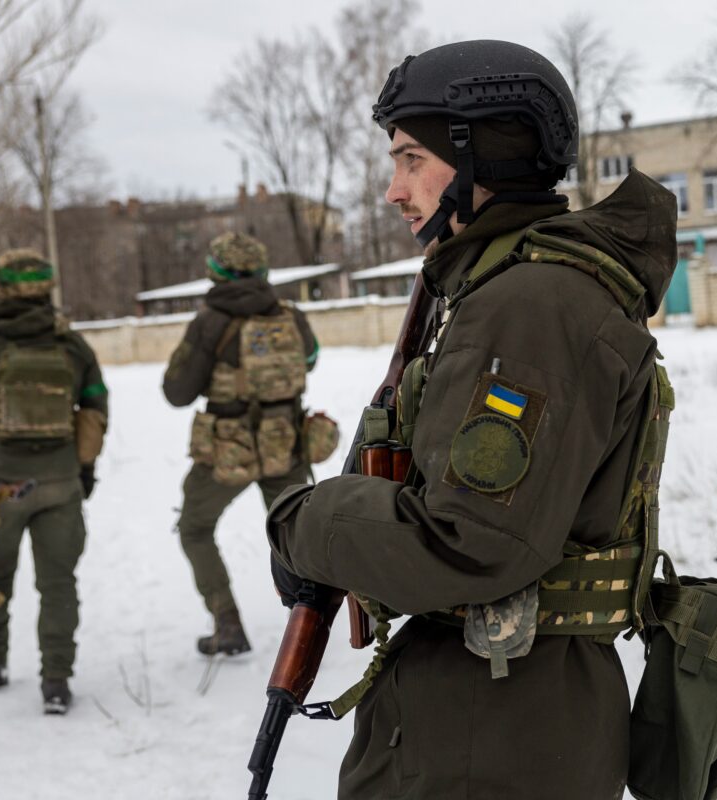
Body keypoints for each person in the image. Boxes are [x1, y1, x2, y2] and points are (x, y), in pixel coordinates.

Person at [264, 40, 677, 799]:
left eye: (411, 157)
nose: (394, 190)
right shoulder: (511, 290)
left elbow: (471, 543)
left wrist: (305, 525)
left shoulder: (529, 306)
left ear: (483, 152)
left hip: (490, 734)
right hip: (498, 708)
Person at [0, 249, 108, 714]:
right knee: (58, 584)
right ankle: (56, 680)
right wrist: (84, 468)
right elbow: (95, 407)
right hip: (60, 483)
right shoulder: (71, 344)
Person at [162, 232, 320, 656]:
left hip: (226, 451)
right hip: (284, 443)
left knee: (195, 528)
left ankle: (226, 622)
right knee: (298, 534)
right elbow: (309, 360)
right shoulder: (290, 315)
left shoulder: (209, 321)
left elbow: (177, 391)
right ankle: (313, 620)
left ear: (214, 272)